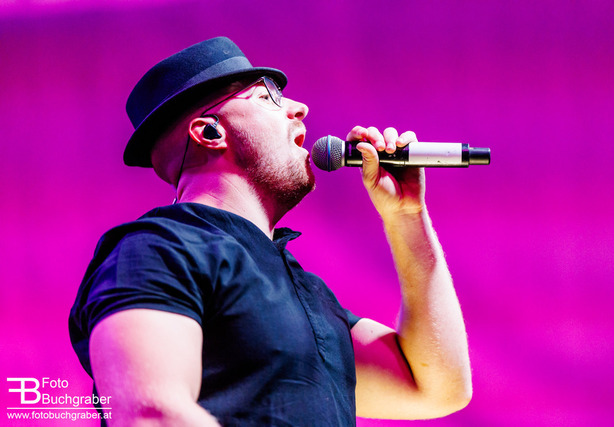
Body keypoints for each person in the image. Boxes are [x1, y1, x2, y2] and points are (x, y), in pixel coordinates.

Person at [69, 37, 472, 426]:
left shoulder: (305, 291)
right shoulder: (157, 250)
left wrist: (407, 217)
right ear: (209, 132)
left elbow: (437, 388)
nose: (300, 108)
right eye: (267, 98)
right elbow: (151, 415)